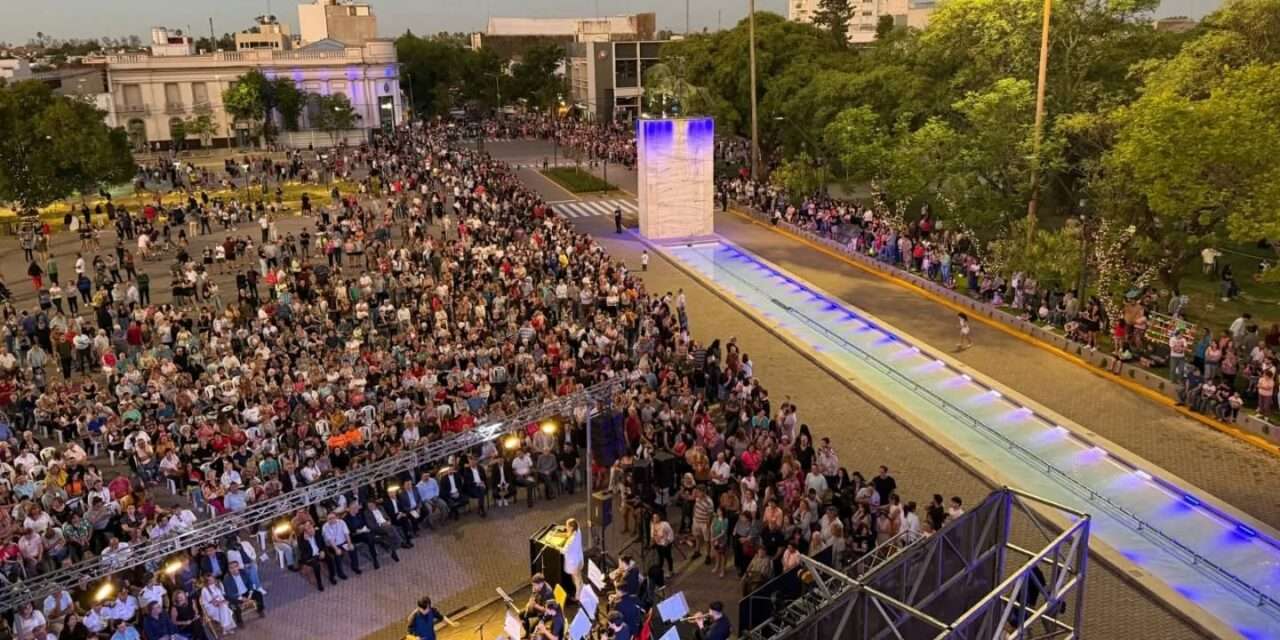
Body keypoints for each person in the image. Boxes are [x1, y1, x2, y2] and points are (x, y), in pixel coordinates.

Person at [562, 518, 584, 600]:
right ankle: (582, 590)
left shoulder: (572, 540)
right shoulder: (578, 530)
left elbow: (564, 550)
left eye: (567, 526)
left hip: (573, 562)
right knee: (579, 576)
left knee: (576, 578)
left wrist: (560, 548)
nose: (566, 527)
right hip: (578, 559)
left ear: (571, 527)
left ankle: (578, 596)